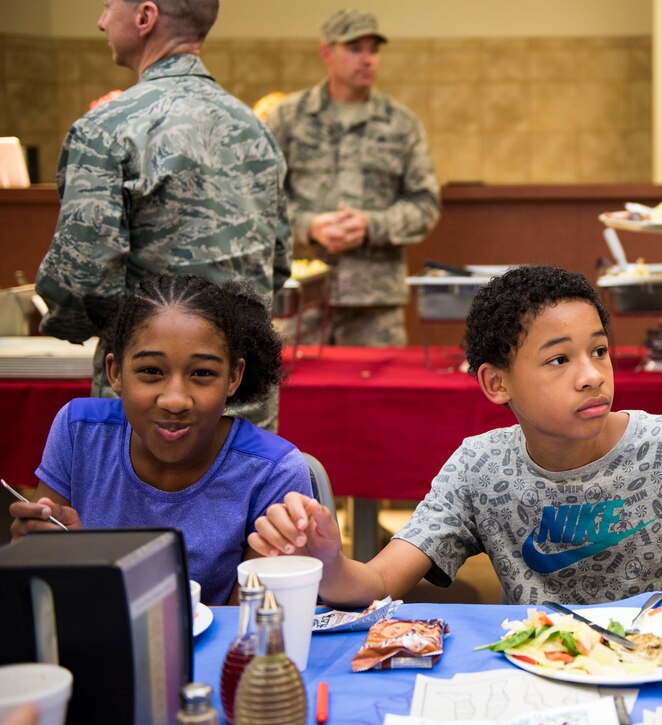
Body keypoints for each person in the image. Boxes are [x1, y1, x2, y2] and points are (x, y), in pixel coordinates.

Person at [249, 265, 662, 607]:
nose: (591, 375)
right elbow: (382, 581)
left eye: (599, 351)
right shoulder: (481, 469)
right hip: (542, 676)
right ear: (497, 383)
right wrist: (331, 563)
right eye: (559, 360)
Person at [34, 0, 290, 432]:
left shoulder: (109, 126)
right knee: (243, 503)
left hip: (152, 407)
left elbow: (80, 277)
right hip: (242, 403)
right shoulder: (255, 129)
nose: (100, 21)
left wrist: (68, 326)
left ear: (144, 17)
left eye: (107, 6)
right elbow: (278, 263)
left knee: (133, 503)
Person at [8, 275, 311, 605]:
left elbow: (252, 624)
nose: (175, 400)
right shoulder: (79, 430)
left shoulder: (273, 472)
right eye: (152, 371)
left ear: (233, 377)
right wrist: (47, 548)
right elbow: (45, 588)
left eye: (202, 374)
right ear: (115, 372)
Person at [266, 9, 441, 347]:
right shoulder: (288, 117)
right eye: (354, 48)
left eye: (373, 50)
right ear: (327, 53)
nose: (367, 59)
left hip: (374, 305)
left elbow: (425, 204)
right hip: (301, 298)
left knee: (377, 399)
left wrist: (369, 226)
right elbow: (261, 199)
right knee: (295, 396)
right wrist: (309, 225)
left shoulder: (401, 124)